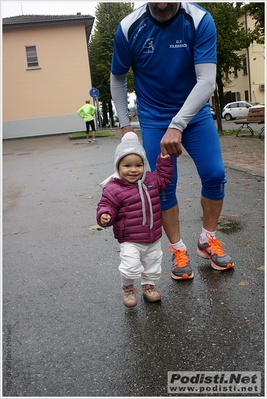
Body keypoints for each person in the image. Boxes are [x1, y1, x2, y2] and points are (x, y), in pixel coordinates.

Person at [110, 2, 234, 281]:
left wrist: (178, 124)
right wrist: (125, 125)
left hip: (195, 114)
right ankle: (178, 249)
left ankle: (208, 239)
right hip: (154, 117)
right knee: (161, 186)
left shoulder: (199, 20)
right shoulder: (129, 28)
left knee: (215, 174)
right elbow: (117, 78)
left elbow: (206, 80)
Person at [96, 132, 173, 307]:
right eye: (127, 165)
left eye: (139, 165)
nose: (133, 170)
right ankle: (128, 289)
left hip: (153, 237)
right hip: (129, 238)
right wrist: (105, 215)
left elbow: (165, 178)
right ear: (118, 166)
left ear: (144, 165)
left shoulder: (151, 180)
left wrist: (165, 159)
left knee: (153, 264)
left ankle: (149, 287)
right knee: (130, 265)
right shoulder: (113, 188)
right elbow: (105, 205)